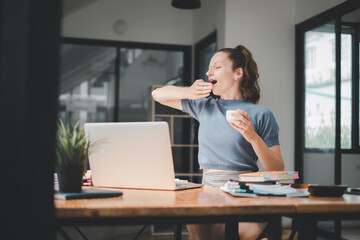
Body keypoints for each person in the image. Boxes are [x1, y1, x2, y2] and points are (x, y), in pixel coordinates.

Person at [152, 45, 284, 240]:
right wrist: (189, 92)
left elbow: (278, 169)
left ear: (238, 73)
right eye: (209, 67)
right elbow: (158, 95)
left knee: (244, 233)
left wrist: (253, 137)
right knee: (199, 231)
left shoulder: (261, 114)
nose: (208, 72)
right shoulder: (204, 106)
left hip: (245, 193)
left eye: (217, 66)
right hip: (209, 191)